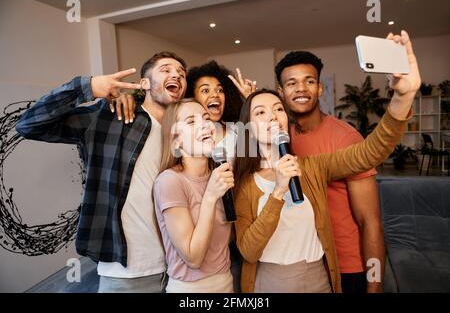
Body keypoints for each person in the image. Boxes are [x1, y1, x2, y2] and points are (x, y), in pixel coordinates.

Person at [233, 31, 420, 293]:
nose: (272, 116)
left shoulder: (313, 164)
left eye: (277, 110)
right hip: (272, 281)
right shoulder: (244, 181)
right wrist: (278, 190)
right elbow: (249, 250)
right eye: (261, 113)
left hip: (325, 273)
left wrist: (402, 98)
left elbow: (370, 152)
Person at [16, 51, 188, 293]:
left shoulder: (184, 133)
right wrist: (86, 87)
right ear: (144, 84)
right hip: (125, 272)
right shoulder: (110, 117)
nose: (176, 75)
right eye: (166, 70)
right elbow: (29, 125)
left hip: (178, 270)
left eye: (181, 74)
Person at [275, 51, 384, 292]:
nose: (301, 89)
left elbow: (371, 221)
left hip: (348, 266)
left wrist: (375, 286)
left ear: (320, 89)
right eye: (291, 83)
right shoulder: (282, 137)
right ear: (281, 92)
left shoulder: (346, 137)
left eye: (309, 81)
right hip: (307, 264)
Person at [185, 61, 255, 292]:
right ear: (192, 99)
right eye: (205, 90)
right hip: (202, 231)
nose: (215, 94)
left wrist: (250, 103)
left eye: (220, 89)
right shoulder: (186, 138)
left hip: (239, 231)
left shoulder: (239, 131)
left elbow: (260, 162)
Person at [153, 98, 234, 292]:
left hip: (227, 282)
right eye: (191, 122)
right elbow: (193, 258)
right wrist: (210, 197)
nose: (205, 125)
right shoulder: (169, 181)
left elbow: (226, 239)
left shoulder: (220, 173)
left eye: (206, 119)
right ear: (176, 140)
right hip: (190, 289)